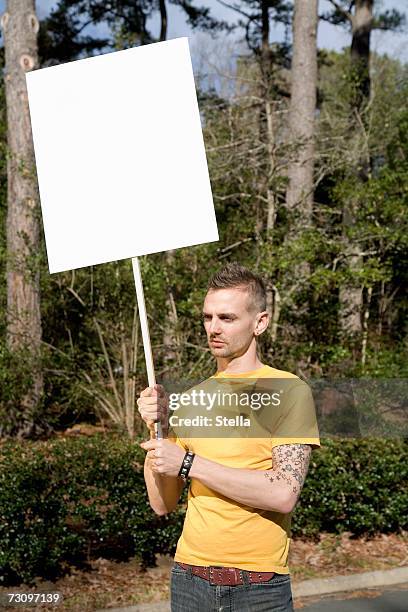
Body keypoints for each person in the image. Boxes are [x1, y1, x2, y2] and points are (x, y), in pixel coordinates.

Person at [138, 262, 320, 611]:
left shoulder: (289, 391)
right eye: (208, 318)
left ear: (260, 322)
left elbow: (283, 493)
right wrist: (158, 427)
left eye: (227, 318)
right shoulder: (190, 400)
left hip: (258, 587)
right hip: (189, 580)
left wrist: (189, 463)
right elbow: (162, 504)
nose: (213, 328)